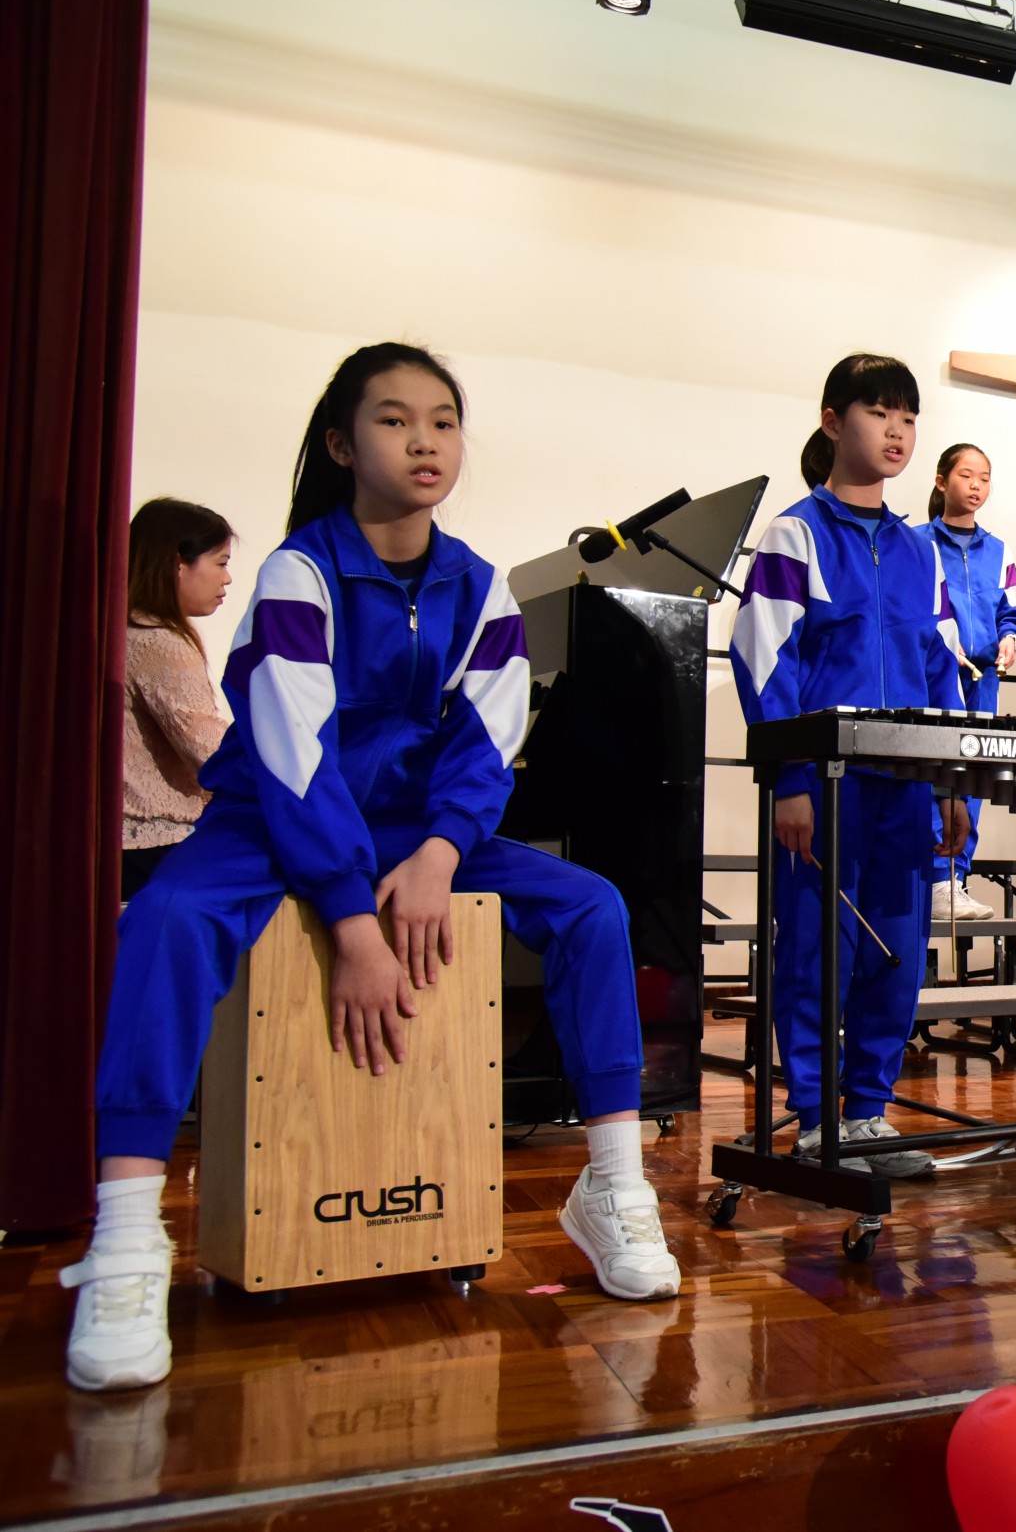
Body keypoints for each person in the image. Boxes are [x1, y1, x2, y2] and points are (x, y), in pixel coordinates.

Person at [69, 344, 681, 1394]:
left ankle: (613, 1185)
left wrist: (441, 854)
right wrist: (352, 923)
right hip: (274, 821)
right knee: (164, 918)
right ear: (344, 445)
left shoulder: (481, 588)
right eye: (395, 420)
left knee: (594, 907)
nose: (424, 441)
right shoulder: (297, 572)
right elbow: (294, 757)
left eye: (443, 421)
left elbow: (485, 748)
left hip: (414, 831)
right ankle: (125, 1235)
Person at [735, 352, 970, 1179]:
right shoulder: (794, 534)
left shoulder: (920, 550)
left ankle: (867, 1113)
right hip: (825, 787)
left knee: (894, 954)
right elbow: (765, 663)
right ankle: (812, 1120)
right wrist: (791, 779)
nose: (896, 431)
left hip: (904, 789)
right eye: (878, 413)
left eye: (908, 417)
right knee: (814, 951)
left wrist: (953, 783)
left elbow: (941, 672)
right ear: (834, 422)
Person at [920, 444, 1016, 923]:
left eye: (984, 477)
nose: (977, 486)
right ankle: (935, 880)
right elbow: (911, 610)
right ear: (942, 481)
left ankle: (956, 878)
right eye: (967, 475)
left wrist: (1010, 639)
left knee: (973, 778)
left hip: (982, 682)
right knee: (934, 773)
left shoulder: (999, 550)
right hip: (932, 677)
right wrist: (941, 644)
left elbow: (1013, 610)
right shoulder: (917, 543)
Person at [121, 498, 235, 898]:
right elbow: (212, 753)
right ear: (178, 563)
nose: (228, 579)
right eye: (221, 563)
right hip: (156, 847)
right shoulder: (161, 642)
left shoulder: (127, 629)